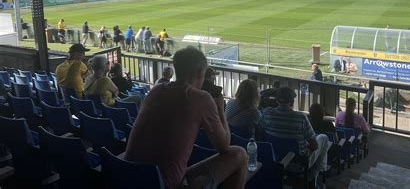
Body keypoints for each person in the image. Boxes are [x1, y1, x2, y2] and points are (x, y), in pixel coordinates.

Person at [125, 46, 247, 189]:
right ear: (201, 71)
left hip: (129, 176)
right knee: (239, 154)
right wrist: (220, 109)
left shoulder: (156, 91)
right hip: (164, 184)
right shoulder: (202, 98)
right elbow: (224, 146)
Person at [262, 87, 329, 184]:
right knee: (323, 138)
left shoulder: (267, 113)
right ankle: (313, 177)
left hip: (275, 159)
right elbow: (314, 145)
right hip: (298, 164)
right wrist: (305, 145)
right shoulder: (301, 117)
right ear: (292, 102)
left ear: (276, 100)